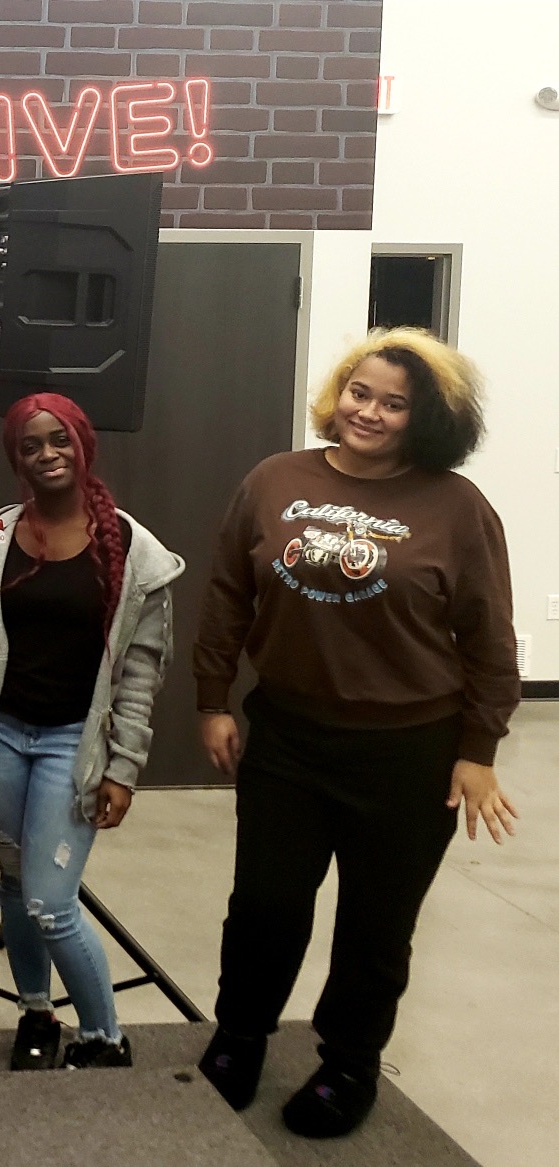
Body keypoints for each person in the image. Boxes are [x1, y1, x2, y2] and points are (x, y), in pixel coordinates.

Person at [191, 327, 520, 1138]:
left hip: (411, 750)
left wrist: (478, 750)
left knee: (377, 923)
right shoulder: (275, 479)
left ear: (426, 418)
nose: (368, 411)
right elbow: (228, 592)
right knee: (265, 904)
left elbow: (489, 637)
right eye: (359, 391)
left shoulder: (457, 507)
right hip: (290, 737)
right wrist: (213, 698)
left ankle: (349, 1063)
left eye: (393, 404)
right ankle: (240, 1037)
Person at [0, 393, 184, 1072]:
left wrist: (123, 767)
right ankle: (36, 1012)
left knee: (51, 903)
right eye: (30, 445)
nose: (47, 454)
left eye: (59, 440)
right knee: (16, 886)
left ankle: (105, 1037)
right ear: (15, 458)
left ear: (83, 445)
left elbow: (140, 673)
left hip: (72, 745)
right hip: (1, 739)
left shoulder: (133, 551)